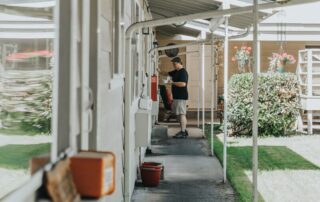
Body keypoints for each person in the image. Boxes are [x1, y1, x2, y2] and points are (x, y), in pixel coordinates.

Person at [157, 57, 189, 138]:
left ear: (180, 63)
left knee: (181, 114)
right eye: (173, 64)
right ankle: (184, 130)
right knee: (178, 114)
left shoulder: (183, 72)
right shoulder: (176, 71)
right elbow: (167, 73)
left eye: (175, 64)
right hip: (176, 97)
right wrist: (159, 70)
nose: (174, 65)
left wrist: (172, 83)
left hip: (181, 96)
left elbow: (183, 84)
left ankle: (183, 132)